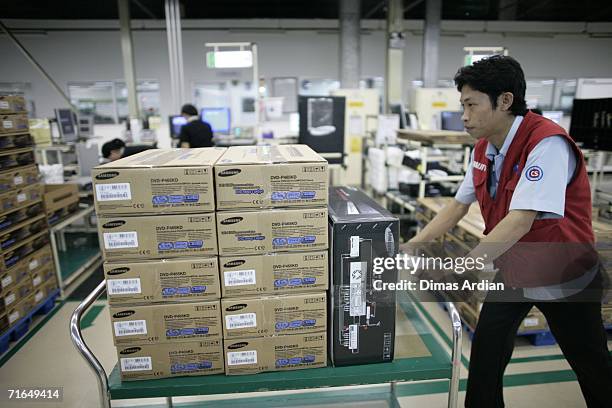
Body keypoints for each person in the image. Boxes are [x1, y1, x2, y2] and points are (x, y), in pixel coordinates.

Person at [405, 55, 612, 407]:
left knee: (592, 368)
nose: (464, 116)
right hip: (515, 270)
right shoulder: (485, 147)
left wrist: (464, 268)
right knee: (485, 358)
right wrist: (411, 245)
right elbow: (458, 205)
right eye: (462, 105)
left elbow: (521, 219)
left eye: (472, 105)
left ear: (504, 101)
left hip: (565, 274)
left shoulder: (546, 143)